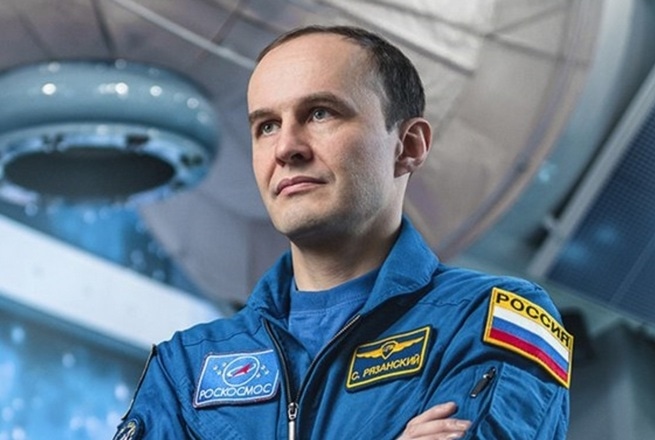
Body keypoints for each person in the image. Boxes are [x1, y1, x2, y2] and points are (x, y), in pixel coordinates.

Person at [113, 25, 572, 440]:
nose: (286, 148)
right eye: (267, 126)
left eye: (320, 114)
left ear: (408, 146)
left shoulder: (492, 318)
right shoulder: (185, 368)